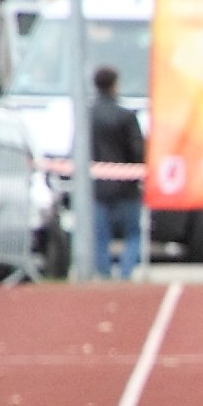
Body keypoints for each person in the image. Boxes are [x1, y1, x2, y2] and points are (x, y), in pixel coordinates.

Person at [89, 65, 148, 280]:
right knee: (133, 232)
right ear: (115, 85)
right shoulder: (126, 116)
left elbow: (78, 148)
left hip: (98, 186)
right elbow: (138, 151)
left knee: (100, 235)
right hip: (127, 186)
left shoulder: (88, 116)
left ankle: (104, 275)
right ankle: (125, 273)